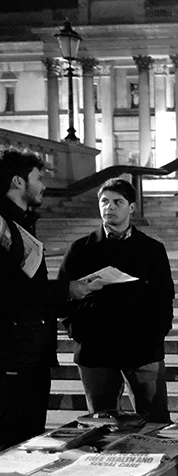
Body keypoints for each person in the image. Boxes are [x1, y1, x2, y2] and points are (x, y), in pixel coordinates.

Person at [0, 147, 98, 449]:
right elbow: (11, 289)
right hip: (13, 354)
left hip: (32, 353)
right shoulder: (3, 224)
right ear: (18, 181)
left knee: (29, 439)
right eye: (38, 177)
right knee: (13, 442)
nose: (43, 184)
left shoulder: (22, 221)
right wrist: (66, 290)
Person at [58, 178, 175, 423]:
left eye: (117, 202)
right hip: (96, 351)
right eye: (104, 202)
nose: (109, 207)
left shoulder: (152, 249)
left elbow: (164, 297)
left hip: (143, 350)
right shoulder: (81, 249)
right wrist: (79, 332)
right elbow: (64, 297)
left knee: (155, 422)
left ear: (131, 207)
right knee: (102, 426)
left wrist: (157, 333)